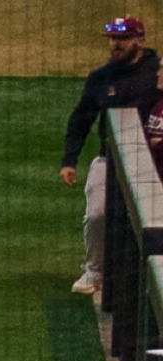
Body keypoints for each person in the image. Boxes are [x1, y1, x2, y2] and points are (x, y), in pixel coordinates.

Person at [64, 16, 160, 295]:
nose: (115, 45)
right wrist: (69, 160)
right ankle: (94, 272)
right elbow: (81, 118)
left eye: (123, 39)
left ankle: (145, 280)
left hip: (151, 164)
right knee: (96, 215)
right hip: (109, 159)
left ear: (139, 40)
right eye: (112, 40)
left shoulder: (156, 72)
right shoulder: (101, 77)